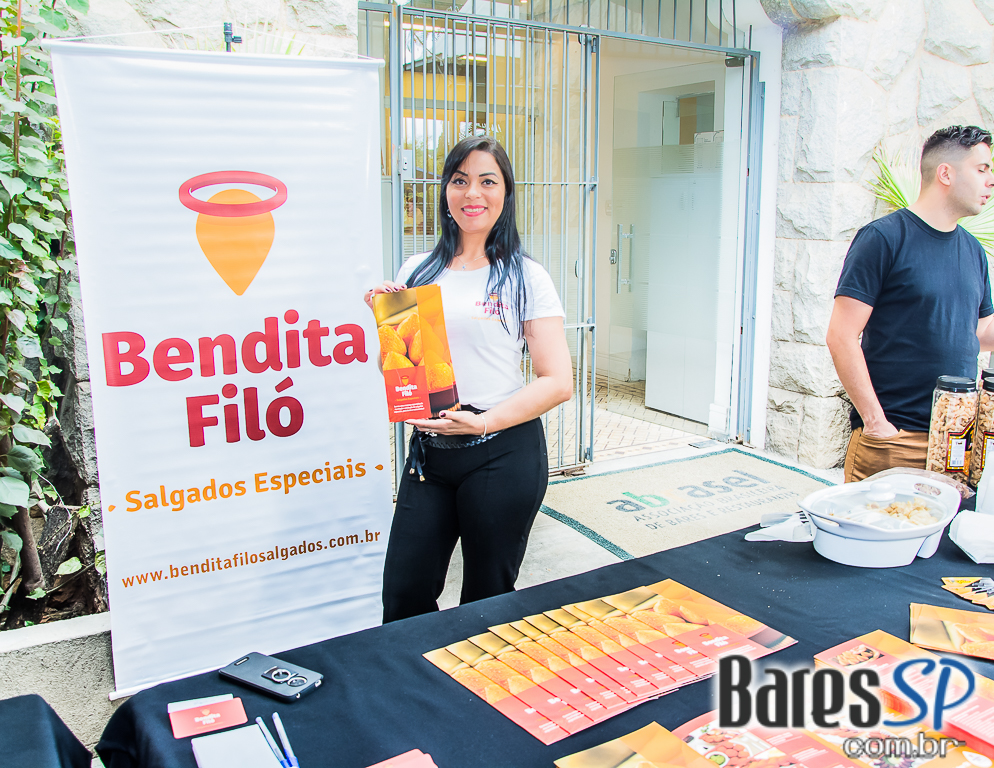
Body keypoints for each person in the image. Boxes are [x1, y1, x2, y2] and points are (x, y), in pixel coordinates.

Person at [364, 135, 573, 622]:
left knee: (486, 601)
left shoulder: (525, 276)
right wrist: (388, 325)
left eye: (487, 181)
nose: (472, 193)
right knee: (403, 595)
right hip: (430, 455)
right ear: (445, 191)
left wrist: (482, 423)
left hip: (501, 451)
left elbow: (558, 380)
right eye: (460, 181)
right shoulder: (417, 270)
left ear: (505, 193)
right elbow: (397, 369)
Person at [826, 125, 994, 483]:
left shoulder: (973, 251)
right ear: (946, 173)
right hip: (895, 439)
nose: (990, 181)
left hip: (957, 442)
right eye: (982, 169)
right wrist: (876, 423)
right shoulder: (883, 238)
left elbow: (979, 334)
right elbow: (841, 336)